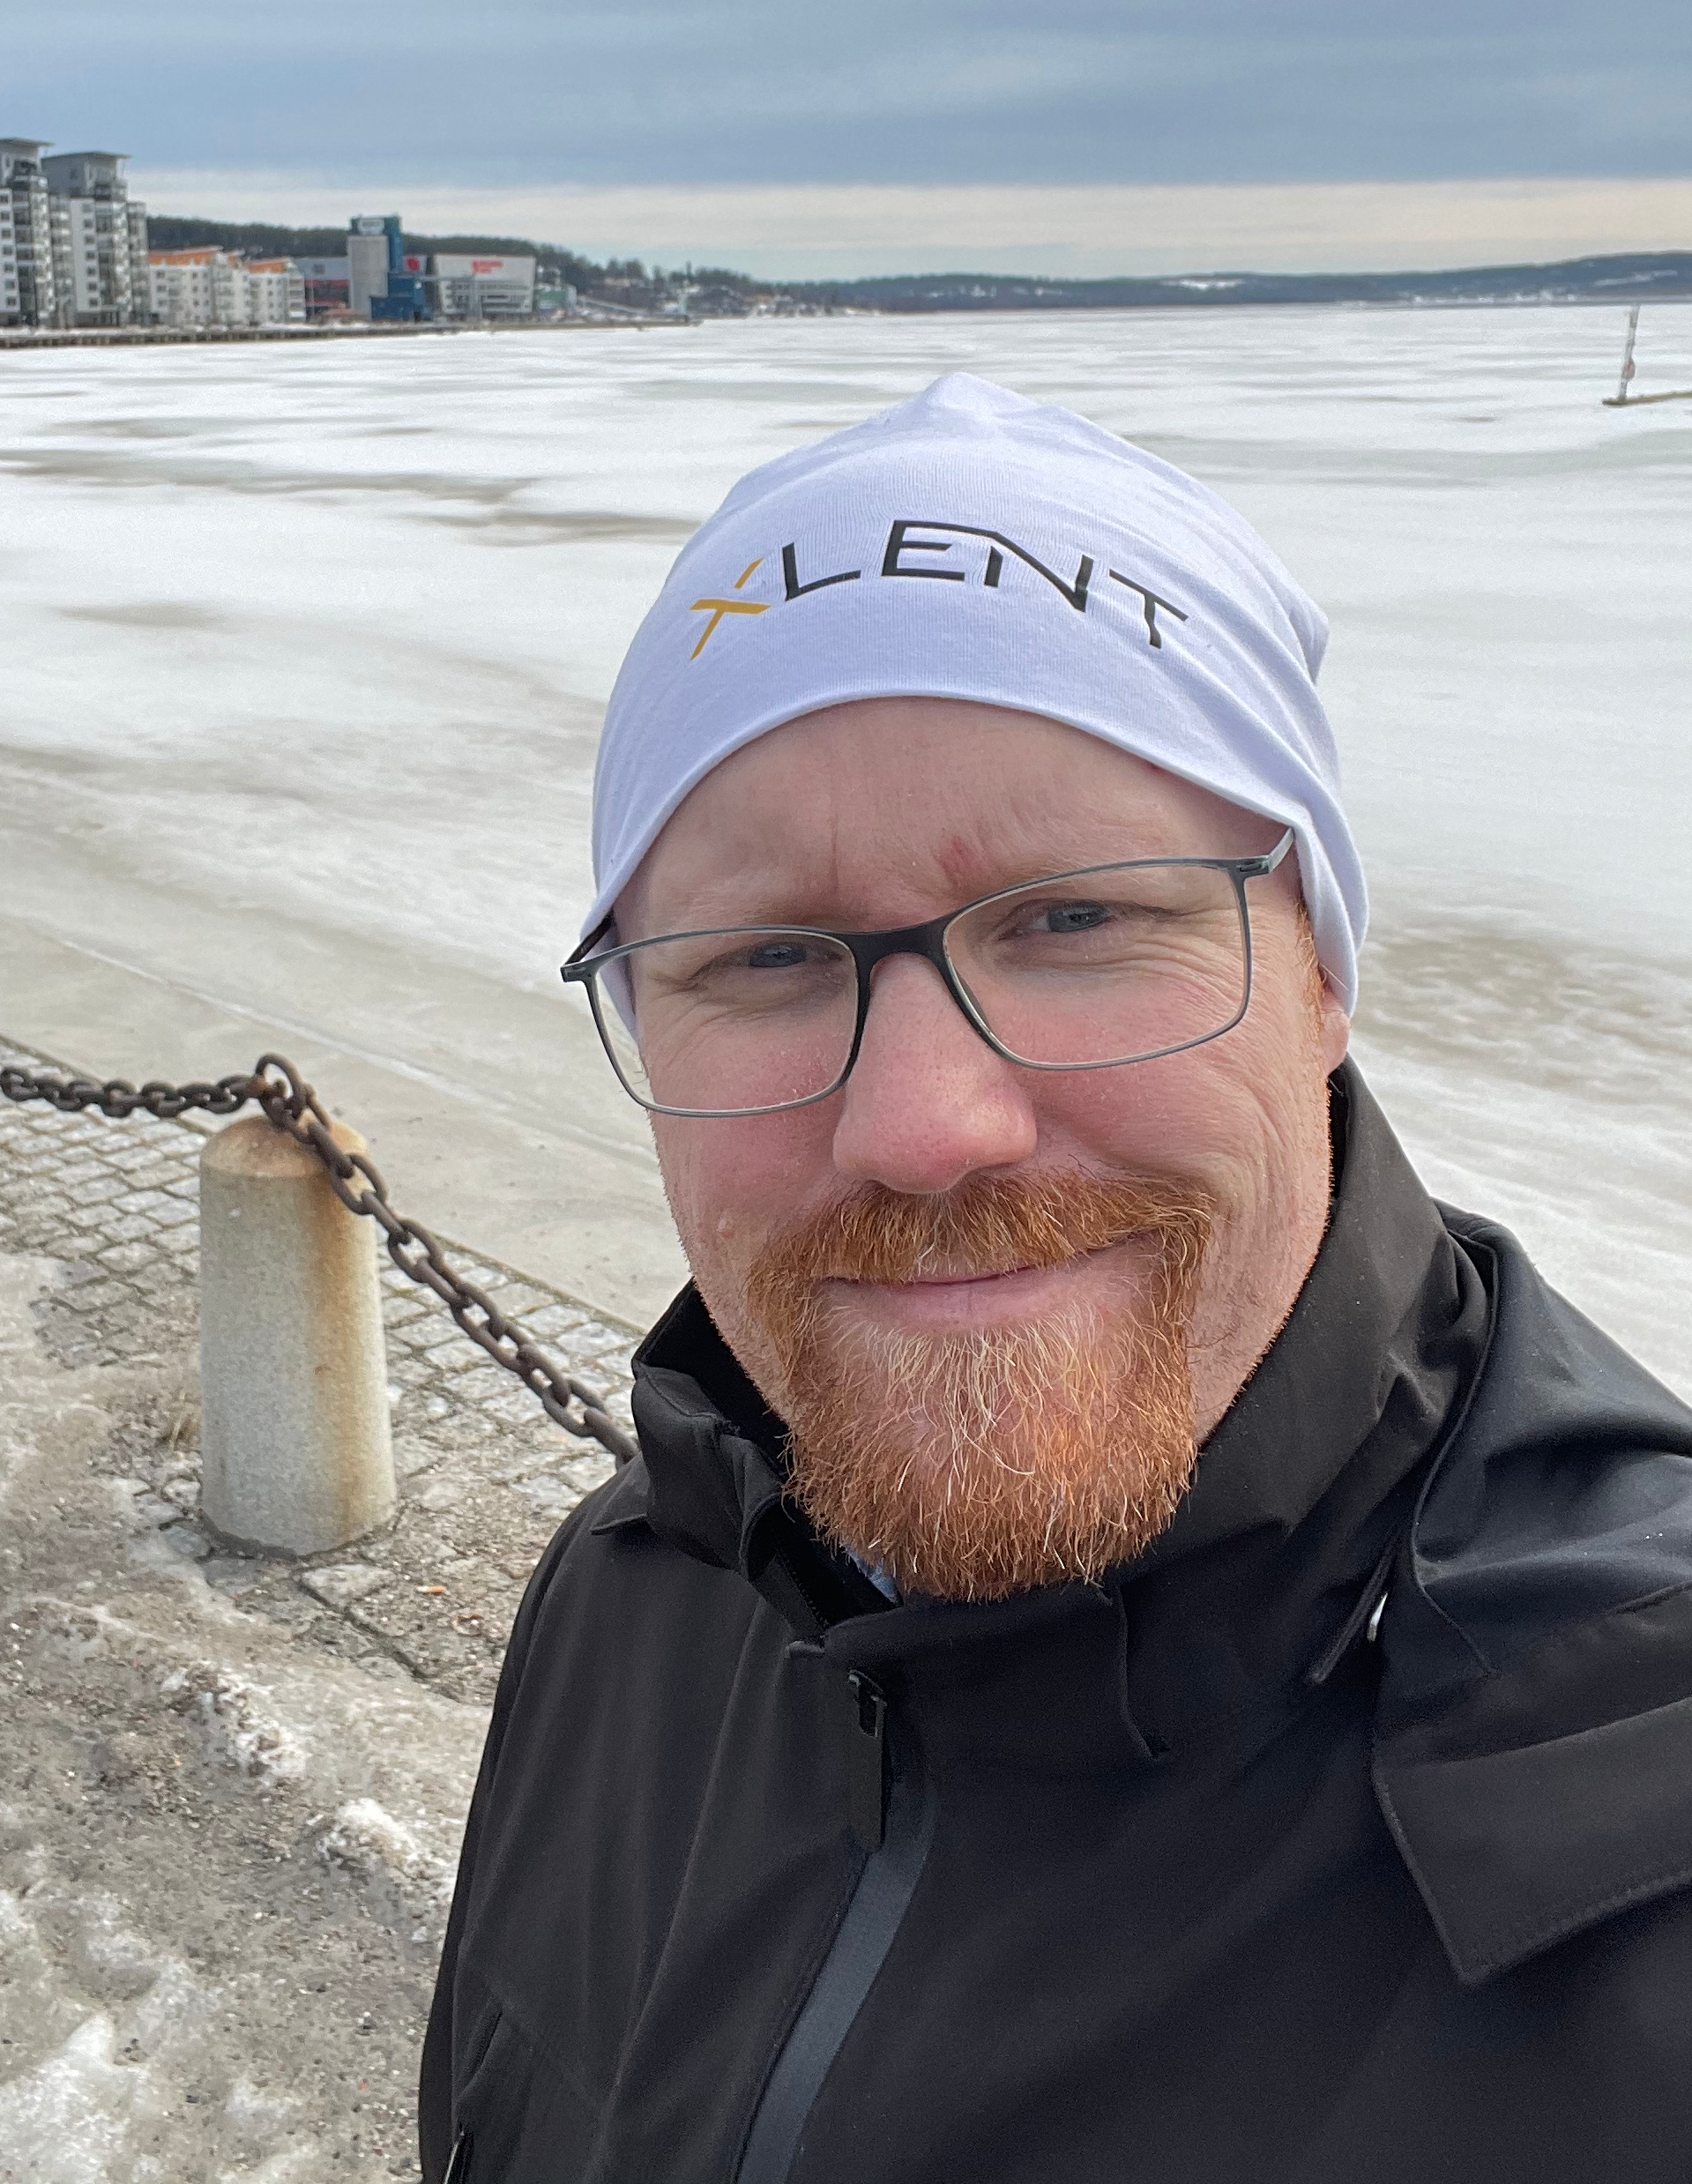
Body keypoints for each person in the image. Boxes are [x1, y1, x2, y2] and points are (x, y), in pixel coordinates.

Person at [419, 375, 1692, 2184]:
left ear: (1323, 960)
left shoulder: (1639, 1812)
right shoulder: (638, 1604)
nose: (928, 1127)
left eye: (1076, 918)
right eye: (769, 956)